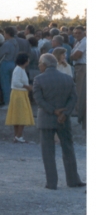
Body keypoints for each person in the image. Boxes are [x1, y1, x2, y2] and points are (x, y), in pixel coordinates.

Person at [33, 54, 85, 190]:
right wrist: (65, 112)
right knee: (68, 148)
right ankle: (73, 180)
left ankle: (52, 182)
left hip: (46, 118)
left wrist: (53, 110)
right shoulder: (67, 78)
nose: (39, 66)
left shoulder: (38, 79)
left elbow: (38, 99)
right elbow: (74, 98)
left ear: (44, 65)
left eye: (40, 63)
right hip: (64, 119)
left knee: (48, 151)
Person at [5, 52, 34, 143]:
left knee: (18, 115)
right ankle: (18, 135)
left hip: (20, 93)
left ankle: (17, 135)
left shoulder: (21, 69)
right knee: (22, 115)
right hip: (18, 94)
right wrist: (27, 86)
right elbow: (16, 82)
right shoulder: (18, 70)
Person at [0, 26, 18, 106]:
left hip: (5, 64)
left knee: (5, 84)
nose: (4, 35)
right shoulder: (15, 42)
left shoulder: (7, 43)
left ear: (8, 34)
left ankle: (7, 103)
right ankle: (13, 102)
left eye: (4, 33)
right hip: (13, 63)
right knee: (12, 84)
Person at [70, 26, 86, 132]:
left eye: (79, 33)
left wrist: (70, 56)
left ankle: (82, 118)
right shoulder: (78, 42)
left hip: (83, 67)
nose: (77, 34)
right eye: (75, 33)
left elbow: (76, 56)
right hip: (79, 67)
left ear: (84, 33)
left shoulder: (85, 42)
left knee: (81, 94)